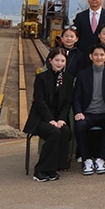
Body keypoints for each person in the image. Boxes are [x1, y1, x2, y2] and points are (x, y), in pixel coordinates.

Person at [24, 48, 74, 182]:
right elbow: (39, 102)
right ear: (50, 60)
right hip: (41, 118)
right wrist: (50, 120)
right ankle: (40, 169)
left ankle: (54, 167)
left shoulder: (68, 79)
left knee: (66, 131)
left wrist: (61, 119)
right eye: (57, 60)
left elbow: (67, 103)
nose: (59, 63)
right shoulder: (41, 78)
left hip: (58, 119)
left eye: (62, 60)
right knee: (55, 133)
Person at [73, 43, 105, 175]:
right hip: (87, 114)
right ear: (90, 56)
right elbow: (76, 97)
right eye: (96, 55)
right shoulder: (83, 74)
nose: (99, 57)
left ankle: (101, 159)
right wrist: (78, 112)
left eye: (102, 55)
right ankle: (87, 160)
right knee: (79, 126)